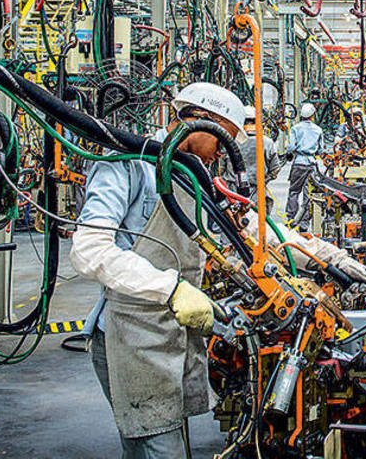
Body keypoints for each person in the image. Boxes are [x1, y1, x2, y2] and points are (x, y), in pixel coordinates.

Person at [71, 82, 247, 458]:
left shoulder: (191, 172)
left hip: (171, 333)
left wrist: (320, 255)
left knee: (159, 445)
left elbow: (232, 235)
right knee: (159, 448)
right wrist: (172, 289)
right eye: (223, 140)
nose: (223, 153)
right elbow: (88, 250)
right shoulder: (126, 162)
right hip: (130, 336)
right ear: (199, 123)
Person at [221, 105, 282, 213]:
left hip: (232, 194)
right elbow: (275, 169)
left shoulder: (229, 140)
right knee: (257, 225)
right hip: (257, 193)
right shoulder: (267, 142)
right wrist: (264, 180)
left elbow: (221, 168)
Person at [285, 102, 323, 229]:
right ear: (312, 115)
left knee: (294, 192)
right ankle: (304, 223)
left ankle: (291, 219)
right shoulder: (318, 130)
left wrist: (289, 154)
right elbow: (320, 150)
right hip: (312, 165)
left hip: (299, 163)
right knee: (308, 194)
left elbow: (291, 146)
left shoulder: (296, 128)